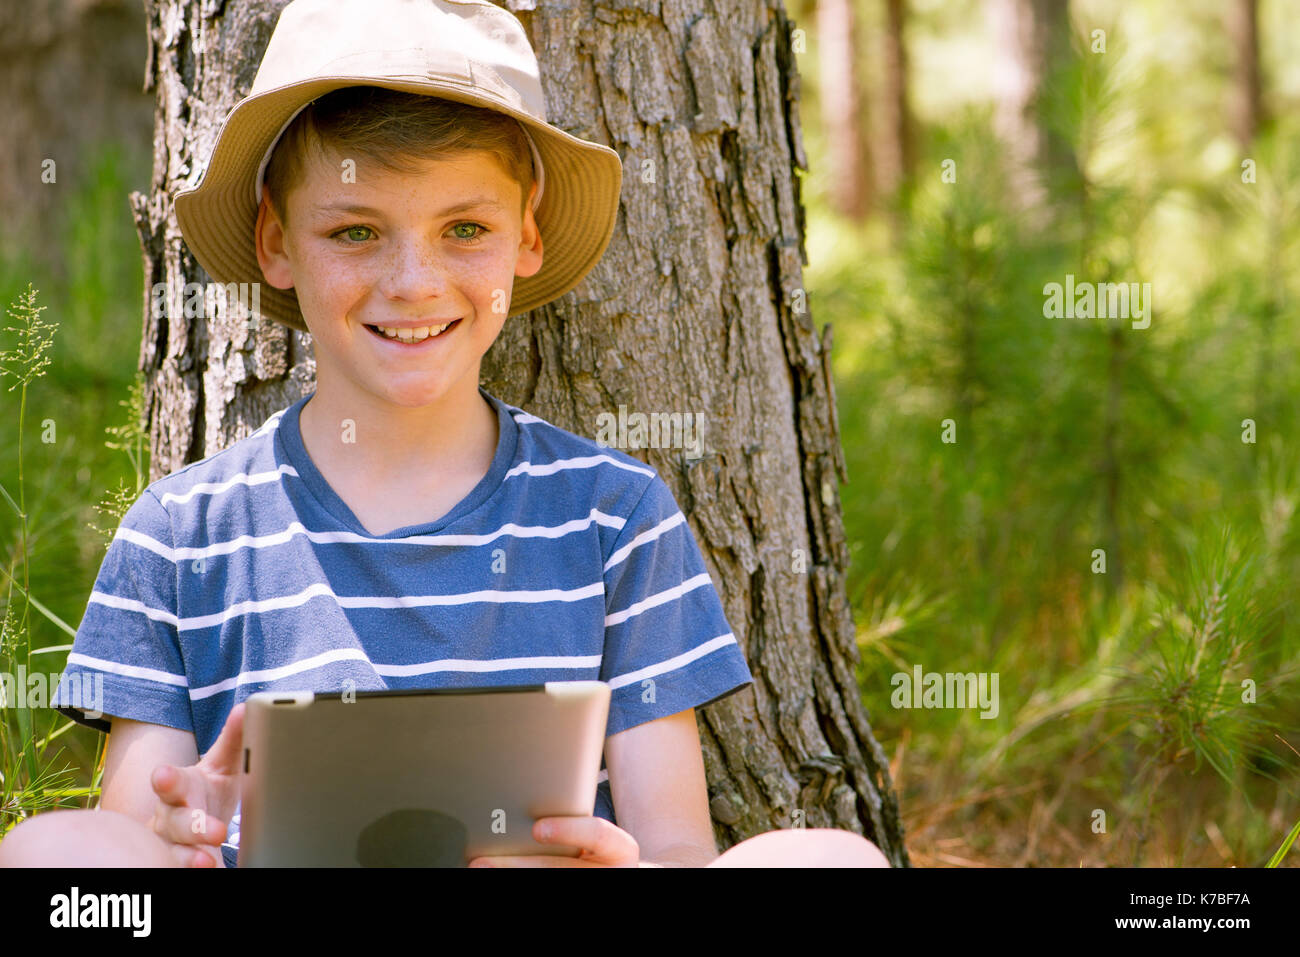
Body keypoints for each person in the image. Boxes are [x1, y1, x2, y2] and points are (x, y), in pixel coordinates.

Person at [0, 0, 888, 869]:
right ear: (276, 241)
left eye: (465, 228)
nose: (414, 281)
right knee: (50, 849)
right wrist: (173, 830)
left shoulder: (615, 519)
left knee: (830, 858)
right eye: (355, 230)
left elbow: (676, 847)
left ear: (525, 237)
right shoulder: (179, 535)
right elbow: (132, 833)